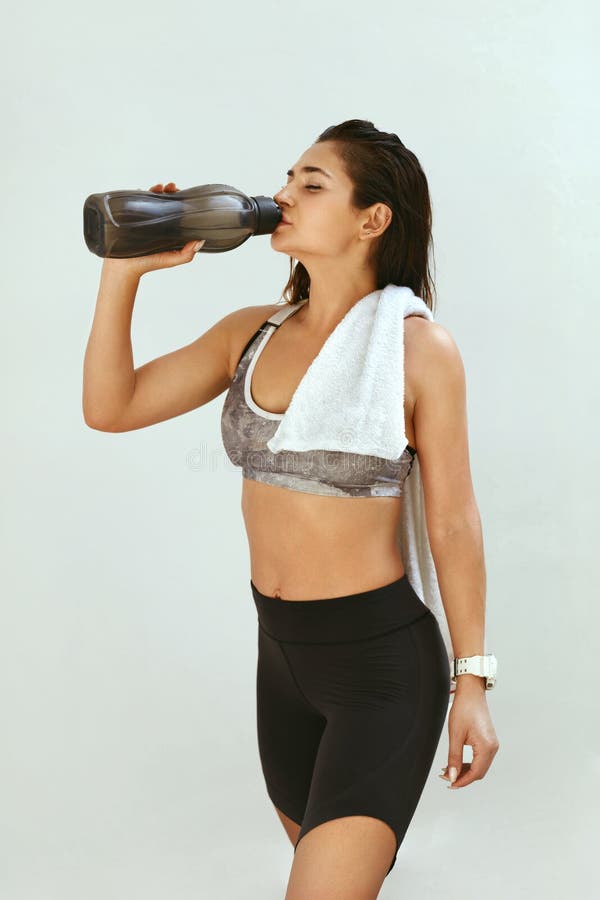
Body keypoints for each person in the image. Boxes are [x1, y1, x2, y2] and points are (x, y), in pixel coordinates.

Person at [83, 118, 499, 900]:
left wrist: (471, 682)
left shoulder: (415, 350)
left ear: (372, 220)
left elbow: (453, 521)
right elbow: (111, 406)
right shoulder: (252, 333)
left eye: (313, 185)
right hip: (282, 666)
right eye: (287, 180)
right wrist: (123, 272)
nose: (283, 197)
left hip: (381, 670)